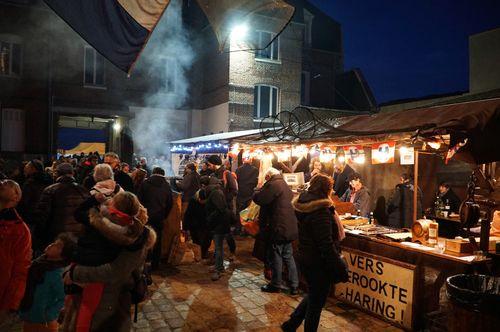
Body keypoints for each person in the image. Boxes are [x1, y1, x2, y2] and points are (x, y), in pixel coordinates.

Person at [63, 193, 155, 331]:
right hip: (103, 293)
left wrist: (74, 273)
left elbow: (114, 271)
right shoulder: (135, 233)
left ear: (113, 208)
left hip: (107, 297)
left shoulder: (105, 226)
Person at [282, 174, 348, 332]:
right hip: (318, 262)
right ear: (327, 189)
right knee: (316, 302)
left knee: (314, 294)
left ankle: (291, 324)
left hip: (307, 257)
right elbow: (325, 244)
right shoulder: (321, 210)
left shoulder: (306, 204)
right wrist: (339, 266)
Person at [253, 168, 299, 294]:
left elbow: (260, 199)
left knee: (276, 256)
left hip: (278, 228)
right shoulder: (283, 184)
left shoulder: (273, 185)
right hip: (288, 227)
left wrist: (257, 190)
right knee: (288, 256)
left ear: (268, 176)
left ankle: (276, 284)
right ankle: (294, 285)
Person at [19, 233, 76, 332]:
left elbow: (62, 298)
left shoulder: (57, 274)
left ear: (63, 256)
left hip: (44, 323)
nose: (51, 245)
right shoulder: (38, 264)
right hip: (29, 316)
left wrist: (48, 315)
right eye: (54, 243)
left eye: (57, 246)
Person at [0, 180, 32, 330]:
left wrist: (12, 302)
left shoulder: (20, 230)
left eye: (8, 184)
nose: (3, 182)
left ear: (16, 197)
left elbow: (21, 269)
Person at [34, 163, 89, 249]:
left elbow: (42, 216)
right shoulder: (83, 190)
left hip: (56, 236)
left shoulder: (50, 190)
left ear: (57, 173)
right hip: (77, 235)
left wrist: (39, 237)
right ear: (72, 173)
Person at [138, 167, 173, 270]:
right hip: (159, 216)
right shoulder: (166, 185)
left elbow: (139, 200)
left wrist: (142, 213)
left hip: (146, 216)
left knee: (144, 238)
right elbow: (170, 203)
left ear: (153, 173)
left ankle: (143, 261)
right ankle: (155, 263)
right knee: (157, 239)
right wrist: (164, 215)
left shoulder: (145, 183)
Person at [205, 178, 232, 281]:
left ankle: (218, 270)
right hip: (220, 223)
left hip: (219, 224)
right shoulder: (217, 191)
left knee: (218, 247)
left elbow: (220, 209)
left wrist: (210, 218)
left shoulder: (215, 193)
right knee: (218, 247)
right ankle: (218, 266)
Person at [183, 176, 211, 260]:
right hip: (197, 224)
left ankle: (202, 254)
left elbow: (188, 213)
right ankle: (200, 255)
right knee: (198, 240)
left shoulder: (209, 197)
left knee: (205, 240)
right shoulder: (194, 199)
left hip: (203, 223)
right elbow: (188, 214)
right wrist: (185, 227)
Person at [17, 159, 53, 225]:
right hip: (46, 216)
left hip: (31, 217)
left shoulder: (30, 183)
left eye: (27, 166)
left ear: (33, 168)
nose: (25, 168)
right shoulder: (49, 180)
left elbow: (24, 202)